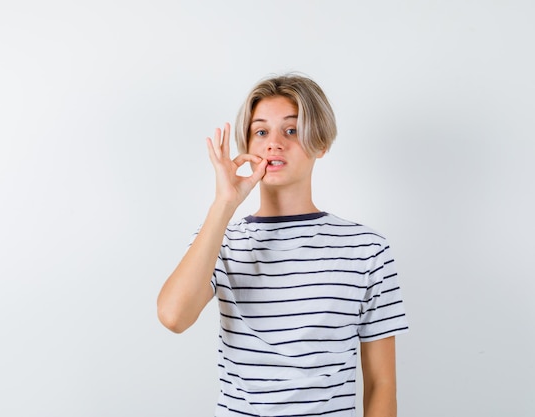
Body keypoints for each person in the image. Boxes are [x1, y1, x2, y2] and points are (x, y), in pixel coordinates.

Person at [157, 73, 409, 417]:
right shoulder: (221, 241)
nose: (273, 143)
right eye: (261, 131)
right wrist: (224, 203)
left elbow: (382, 384)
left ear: (320, 142)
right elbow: (173, 317)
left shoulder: (366, 249)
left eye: (290, 130)